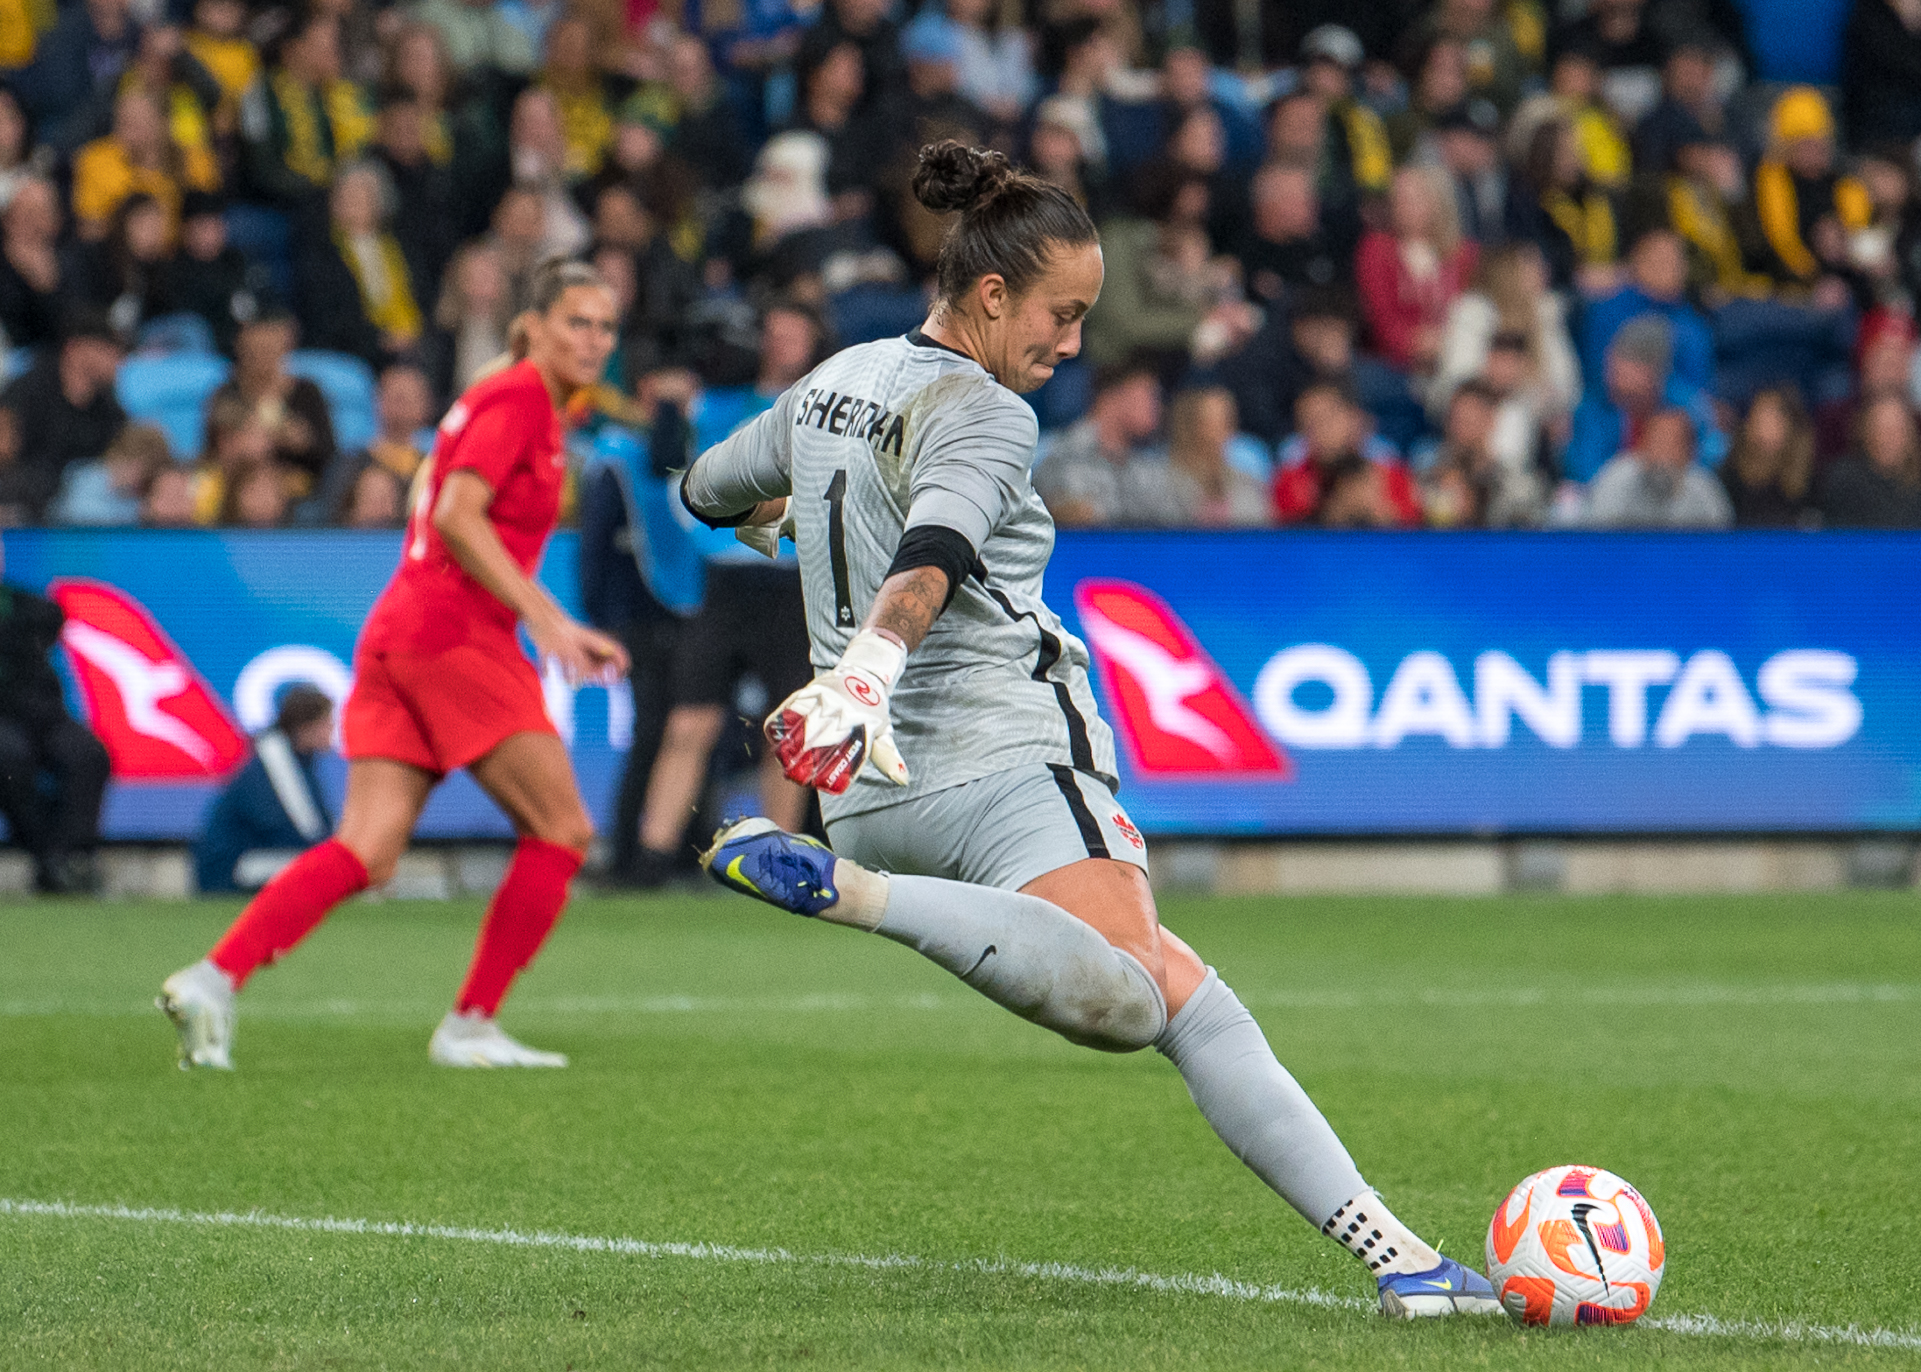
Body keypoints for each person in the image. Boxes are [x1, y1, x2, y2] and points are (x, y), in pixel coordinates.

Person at [680, 140, 1503, 1321]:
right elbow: (941, 545)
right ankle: (855, 899)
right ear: (993, 294)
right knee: (1143, 995)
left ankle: (1407, 1263)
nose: (1073, 343)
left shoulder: (831, 380)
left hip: (868, 792)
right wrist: (868, 666)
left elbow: (706, 487)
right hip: (1002, 759)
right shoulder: (987, 411)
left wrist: (799, 529)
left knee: (1168, 990)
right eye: (1063, 315)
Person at [159, 257, 630, 1072]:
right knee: (563, 828)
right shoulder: (520, 396)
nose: (593, 340)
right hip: (454, 635)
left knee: (368, 849)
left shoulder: (506, 397)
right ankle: (471, 1023)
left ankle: (213, 977)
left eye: (605, 326)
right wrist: (546, 617)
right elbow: (455, 513)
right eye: (576, 322)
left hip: (401, 631)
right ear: (535, 325)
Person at [0, 554, 111, 894]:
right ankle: (47, 856)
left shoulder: (18, 602)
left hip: (40, 713)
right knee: (9, 759)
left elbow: (52, 616)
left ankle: (70, 856)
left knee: (89, 755)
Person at [194, 684, 336, 894]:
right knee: (330, 869)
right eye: (326, 723)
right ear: (305, 727)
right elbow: (307, 831)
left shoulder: (297, 759)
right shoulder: (276, 758)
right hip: (231, 869)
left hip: (257, 858)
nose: (332, 730)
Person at [0, 309, 128, 522]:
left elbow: (115, 461)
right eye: (107, 349)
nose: (117, 360)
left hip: (78, 500)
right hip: (21, 493)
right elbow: (4, 446)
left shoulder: (109, 408)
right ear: (74, 348)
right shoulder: (29, 388)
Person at [1031, 361, 1177, 526]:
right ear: (1112, 396)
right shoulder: (1061, 454)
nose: (1156, 406)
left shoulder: (1150, 462)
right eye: (1148, 395)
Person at [1580, 406, 1733, 528]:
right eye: (1656, 441)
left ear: (1689, 452)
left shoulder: (1703, 487)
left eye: (1672, 444)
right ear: (1641, 445)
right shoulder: (1616, 478)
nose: (1662, 453)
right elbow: (1596, 539)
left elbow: (1720, 545)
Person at [1817, 392, 1921, 526]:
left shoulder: (1917, 484)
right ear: (1865, 432)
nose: (1888, 438)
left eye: (1897, 430)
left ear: (1910, 435)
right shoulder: (1842, 480)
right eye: (1881, 429)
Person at [1721, 387, 1816, 527]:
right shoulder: (1731, 476)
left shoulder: (1809, 478)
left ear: (1789, 424)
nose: (1767, 425)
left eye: (1774, 417)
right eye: (1761, 417)